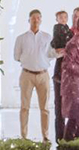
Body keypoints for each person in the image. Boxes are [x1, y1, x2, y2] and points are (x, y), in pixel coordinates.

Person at [13, 9, 52, 142]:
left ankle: (46, 136)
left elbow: (51, 55)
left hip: (43, 75)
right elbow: (17, 56)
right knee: (24, 107)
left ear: (41, 20)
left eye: (38, 18)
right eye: (33, 18)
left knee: (45, 108)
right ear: (29, 20)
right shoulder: (21, 38)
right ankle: (24, 136)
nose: (36, 20)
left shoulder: (48, 37)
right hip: (27, 74)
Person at [50, 10, 72, 140]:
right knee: (59, 104)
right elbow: (56, 45)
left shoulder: (69, 30)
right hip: (61, 70)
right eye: (60, 17)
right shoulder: (57, 29)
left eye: (65, 17)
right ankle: (60, 137)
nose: (63, 19)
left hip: (70, 71)